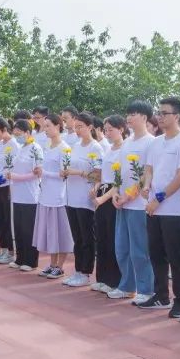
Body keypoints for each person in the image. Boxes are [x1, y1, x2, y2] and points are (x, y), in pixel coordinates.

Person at [140, 96, 180, 317]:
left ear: (177, 116)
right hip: (153, 207)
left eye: (165, 113)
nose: (160, 117)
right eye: (159, 113)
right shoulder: (156, 142)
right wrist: (146, 186)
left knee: (175, 256)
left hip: (173, 208)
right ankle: (161, 295)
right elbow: (149, 168)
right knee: (156, 253)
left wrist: (159, 198)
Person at [109, 100, 157, 304]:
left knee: (140, 250)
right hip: (123, 203)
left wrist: (130, 194)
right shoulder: (127, 142)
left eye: (133, 114)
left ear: (144, 117)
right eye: (128, 114)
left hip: (138, 205)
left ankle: (146, 289)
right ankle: (127, 286)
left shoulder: (151, 142)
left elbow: (147, 174)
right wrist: (115, 192)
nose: (128, 118)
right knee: (122, 248)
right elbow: (120, 171)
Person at [63, 113, 103, 287]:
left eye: (81, 127)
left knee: (87, 237)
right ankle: (78, 270)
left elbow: (99, 175)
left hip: (85, 198)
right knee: (77, 237)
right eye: (76, 127)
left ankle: (86, 272)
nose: (77, 130)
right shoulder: (75, 146)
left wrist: (79, 173)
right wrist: (66, 172)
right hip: (71, 196)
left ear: (90, 127)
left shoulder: (96, 148)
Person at [33, 114, 73, 278]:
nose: (46, 129)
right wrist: (40, 172)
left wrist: (45, 173)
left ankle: (60, 266)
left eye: (48, 126)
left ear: (58, 126)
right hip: (46, 194)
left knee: (60, 232)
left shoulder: (64, 148)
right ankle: (52, 264)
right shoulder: (48, 146)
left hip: (58, 196)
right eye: (45, 126)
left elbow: (64, 174)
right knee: (51, 232)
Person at [92, 115, 125, 293]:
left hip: (113, 196)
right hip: (103, 192)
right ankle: (102, 277)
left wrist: (102, 198)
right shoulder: (108, 148)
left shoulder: (124, 150)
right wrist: (96, 188)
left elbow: (119, 181)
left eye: (111, 129)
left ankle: (114, 280)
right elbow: (103, 175)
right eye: (105, 130)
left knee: (113, 239)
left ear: (121, 129)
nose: (107, 133)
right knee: (102, 237)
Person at [8, 117, 43, 272]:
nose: (17, 137)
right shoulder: (20, 148)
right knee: (19, 228)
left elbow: (37, 172)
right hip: (17, 194)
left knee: (29, 229)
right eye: (15, 134)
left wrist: (17, 177)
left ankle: (31, 260)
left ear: (28, 132)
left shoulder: (36, 148)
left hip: (30, 195)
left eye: (19, 134)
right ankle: (20, 257)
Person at [0, 117, 17, 265]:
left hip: (7, 186)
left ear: (4, 129)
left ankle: (11, 251)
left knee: (7, 219)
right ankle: (4, 249)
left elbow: (12, 167)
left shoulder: (14, 144)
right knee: (0, 218)